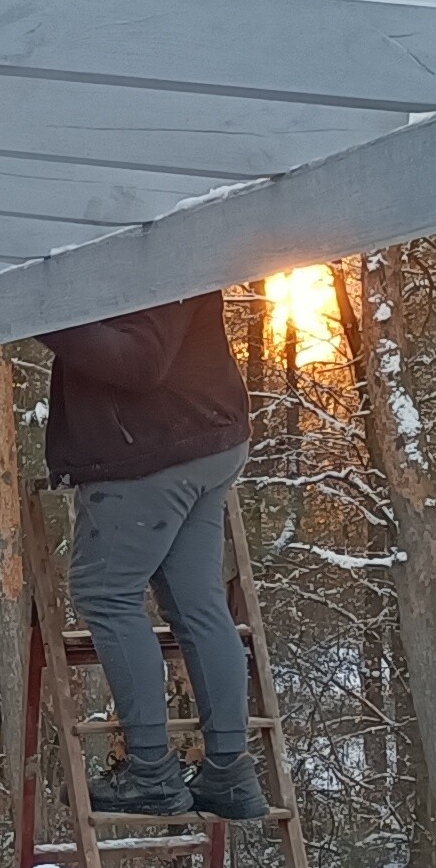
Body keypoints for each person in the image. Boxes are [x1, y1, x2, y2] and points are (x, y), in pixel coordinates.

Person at [36, 292, 266, 821]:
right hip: (203, 439)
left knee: (106, 595)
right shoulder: (171, 254)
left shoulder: (148, 260)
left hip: (153, 450)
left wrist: (40, 315)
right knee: (196, 603)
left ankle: (151, 774)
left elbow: (140, 362)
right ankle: (229, 773)